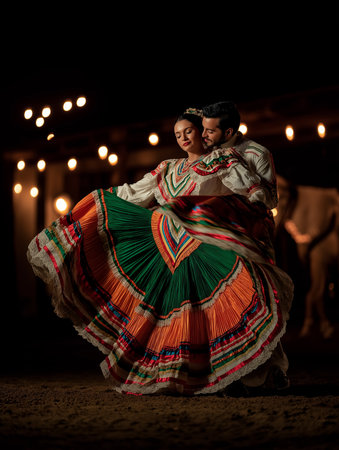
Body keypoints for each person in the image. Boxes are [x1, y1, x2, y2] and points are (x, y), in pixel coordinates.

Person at [27, 108, 293, 396]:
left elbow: (254, 194)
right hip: (175, 253)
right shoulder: (168, 168)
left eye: (189, 131)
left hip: (213, 247)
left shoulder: (223, 161)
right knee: (189, 318)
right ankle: (191, 373)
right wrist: (103, 200)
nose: (183, 138)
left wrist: (251, 201)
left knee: (236, 306)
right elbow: (136, 192)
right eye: (177, 134)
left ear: (204, 132)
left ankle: (265, 372)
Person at [202, 101, 278, 210]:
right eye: (203, 128)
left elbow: (271, 202)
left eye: (210, 131)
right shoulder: (205, 151)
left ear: (228, 132)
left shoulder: (258, 154)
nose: (203, 134)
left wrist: (244, 173)